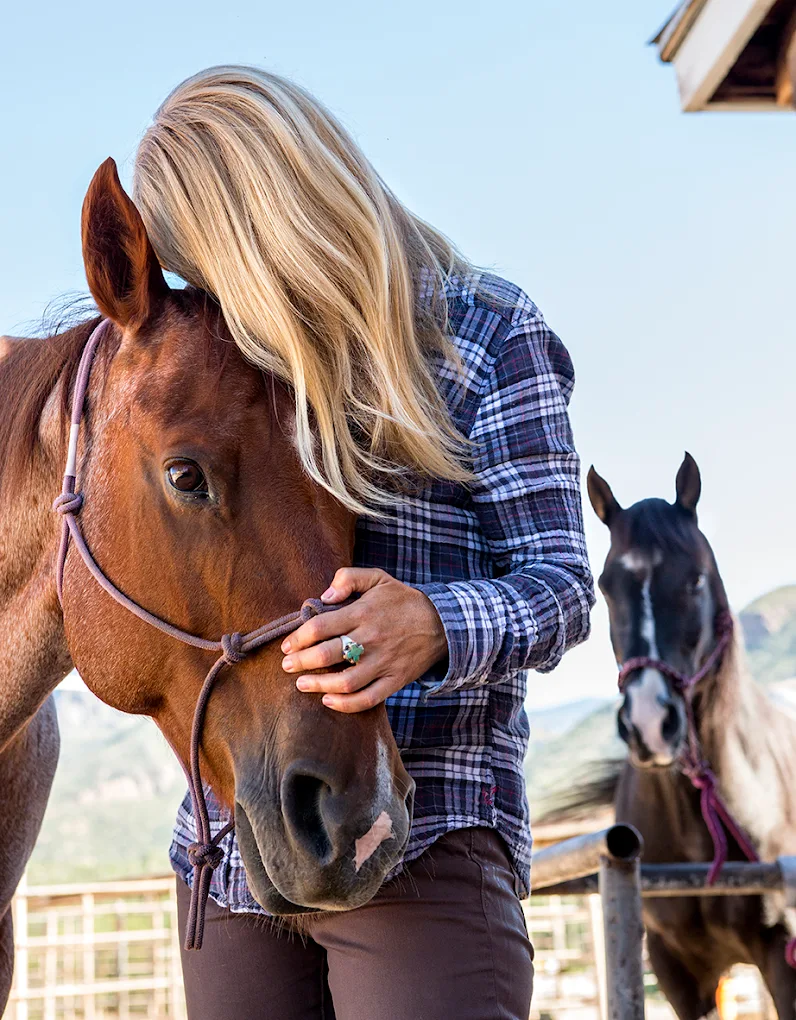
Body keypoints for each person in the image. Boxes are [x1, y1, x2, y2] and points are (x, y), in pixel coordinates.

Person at [132, 65, 594, 1020]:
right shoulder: (232, 354)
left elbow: (562, 589)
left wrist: (433, 622)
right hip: (231, 855)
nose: (206, 296)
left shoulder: (488, 332)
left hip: (422, 834)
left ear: (271, 216)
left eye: (210, 262)